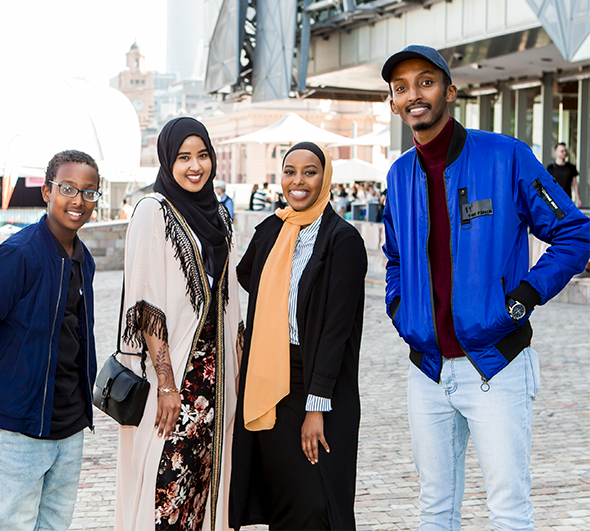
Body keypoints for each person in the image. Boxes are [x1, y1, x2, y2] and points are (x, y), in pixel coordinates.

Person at [381, 45, 590, 530]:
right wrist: (399, 307)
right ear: (394, 103)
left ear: (450, 91)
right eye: (401, 87)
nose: (414, 94)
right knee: (434, 509)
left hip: (496, 364)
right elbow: (394, 256)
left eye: (426, 82)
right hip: (428, 372)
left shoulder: (506, 156)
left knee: (509, 511)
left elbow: (575, 233)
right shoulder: (398, 176)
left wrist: (525, 296)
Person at [0, 150, 100, 531]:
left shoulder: (84, 259)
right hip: (17, 429)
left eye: (89, 192)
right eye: (68, 188)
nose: (78, 200)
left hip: (69, 427)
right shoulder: (17, 255)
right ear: (47, 192)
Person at [230, 143, 366, 530]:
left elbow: (337, 332)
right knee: (285, 500)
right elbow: (245, 275)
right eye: (290, 171)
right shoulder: (272, 229)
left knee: (317, 503)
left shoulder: (343, 240)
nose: (298, 181)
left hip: (319, 383)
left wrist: (315, 407)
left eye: (310, 171)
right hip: (271, 380)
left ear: (325, 178)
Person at [115, 117, 243, 531]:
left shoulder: (220, 217)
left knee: (203, 487)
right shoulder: (153, 211)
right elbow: (146, 303)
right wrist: (167, 385)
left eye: (203, 155)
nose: (195, 166)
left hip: (215, 379)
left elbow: (231, 297)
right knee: (165, 488)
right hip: (173, 382)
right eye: (184, 157)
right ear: (167, 160)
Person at [546, 142, 582, 207]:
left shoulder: (571, 167)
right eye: (562, 151)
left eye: (565, 151)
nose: (564, 153)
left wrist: (577, 199)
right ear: (555, 153)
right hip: (554, 200)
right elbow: (547, 184)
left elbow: (574, 183)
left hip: (567, 199)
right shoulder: (550, 168)